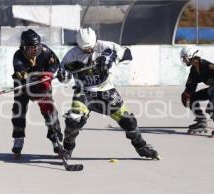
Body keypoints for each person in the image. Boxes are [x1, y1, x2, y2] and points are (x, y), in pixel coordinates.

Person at [57, 27, 159, 159]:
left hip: (106, 91)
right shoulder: (72, 54)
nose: (88, 51)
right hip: (83, 92)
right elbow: (63, 77)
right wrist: (63, 74)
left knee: (129, 121)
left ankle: (142, 147)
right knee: (74, 120)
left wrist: (108, 59)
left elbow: (127, 54)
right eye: (84, 49)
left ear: (95, 41)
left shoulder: (106, 46)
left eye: (90, 48)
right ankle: (67, 149)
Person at [11, 29, 63, 157]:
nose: (35, 49)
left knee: (50, 111)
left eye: (37, 46)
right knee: (18, 111)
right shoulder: (18, 57)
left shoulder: (45, 51)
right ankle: (18, 139)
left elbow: (56, 63)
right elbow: (23, 76)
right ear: (23, 47)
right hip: (24, 85)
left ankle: (55, 140)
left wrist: (49, 74)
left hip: (43, 85)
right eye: (31, 47)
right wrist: (40, 77)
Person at [180, 46, 214, 137]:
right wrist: (187, 93)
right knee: (192, 98)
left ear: (192, 55)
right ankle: (201, 121)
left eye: (185, 57)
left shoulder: (206, 65)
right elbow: (191, 85)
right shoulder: (193, 70)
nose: (184, 60)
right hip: (212, 88)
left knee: (211, 107)